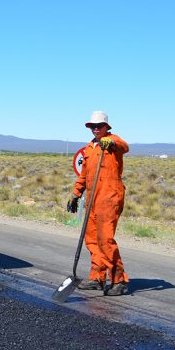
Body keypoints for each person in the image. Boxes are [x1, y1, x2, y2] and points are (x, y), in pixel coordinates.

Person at [66, 111, 130, 296]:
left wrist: (111, 143)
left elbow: (124, 146)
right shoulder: (89, 148)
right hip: (92, 200)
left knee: (105, 240)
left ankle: (119, 280)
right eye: (93, 126)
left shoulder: (113, 141)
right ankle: (97, 278)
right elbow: (84, 175)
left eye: (99, 126)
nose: (95, 129)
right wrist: (76, 193)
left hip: (109, 198)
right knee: (92, 239)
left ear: (106, 127)